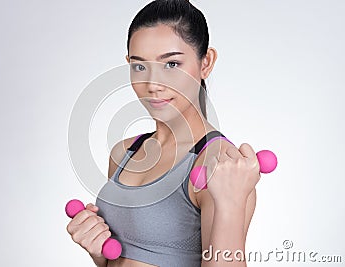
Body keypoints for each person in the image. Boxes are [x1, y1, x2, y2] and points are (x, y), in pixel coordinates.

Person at [66, 0, 260, 266]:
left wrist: (230, 206)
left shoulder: (220, 165)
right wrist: (99, 252)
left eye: (171, 64)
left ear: (206, 62)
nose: (153, 84)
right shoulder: (124, 153)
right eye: (139, 66)